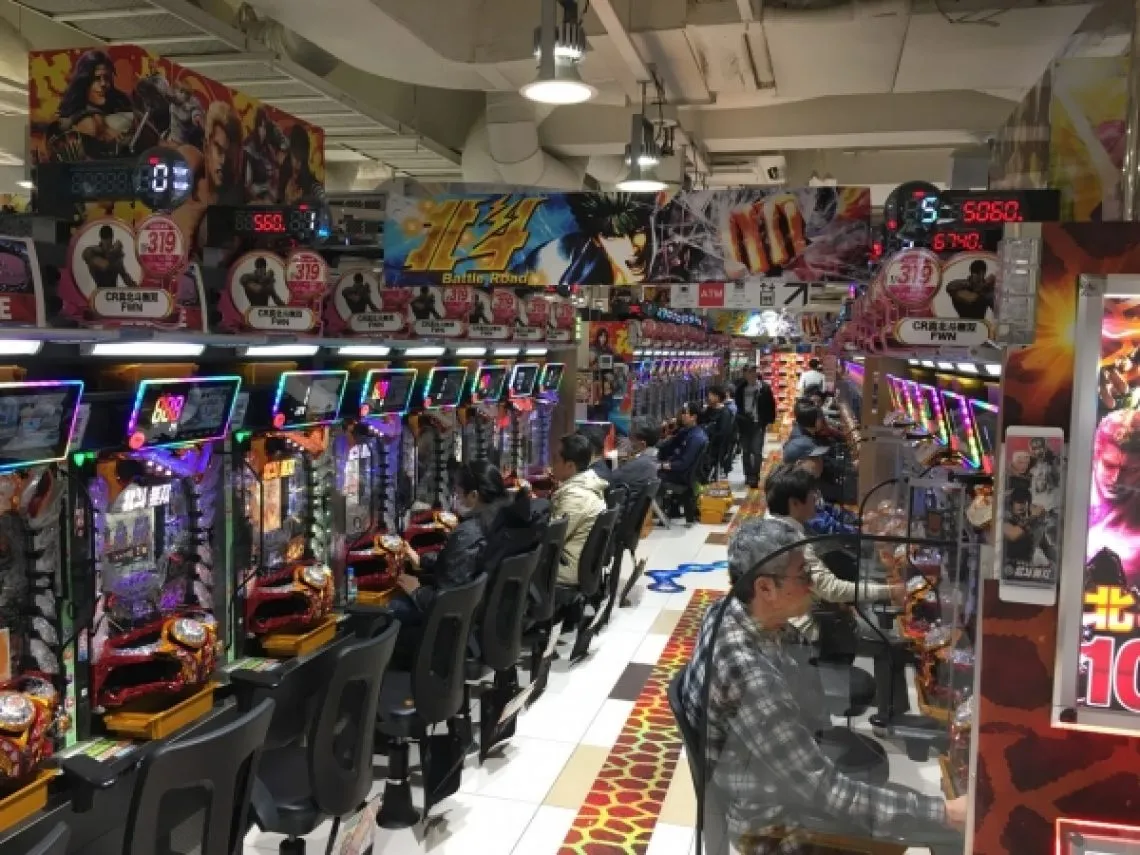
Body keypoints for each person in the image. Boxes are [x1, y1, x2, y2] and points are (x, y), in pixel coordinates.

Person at [679, 517, 965, 854]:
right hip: (772, 826)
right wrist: (944, 813)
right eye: (804, 576)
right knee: (942, 827)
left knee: (910, 804)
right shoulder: (752, 676)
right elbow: (828, 792)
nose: (813, 584)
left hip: (766, 787)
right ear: (765, 588)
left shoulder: (723, 612)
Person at [390, 461, 544, 667]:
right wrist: (423, 560)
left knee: (390, 610)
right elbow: (467, 564)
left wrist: (417, 591)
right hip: (492, 616)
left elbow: (452, 597)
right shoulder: (505, 516)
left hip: (460, 622)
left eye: (458, 492)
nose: (456, 497)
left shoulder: (471, 531)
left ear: (474, 495)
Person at [764, 465, 900, 640]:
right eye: (811, 495)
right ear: (794, 503)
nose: (816, 499)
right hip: (801, 631)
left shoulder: (771, 522)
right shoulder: (791, 542)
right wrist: (891, 591)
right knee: (890, 640)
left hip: (791, 617)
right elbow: (831, 589)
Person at [551, 434, 608, 586]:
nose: (552, 464)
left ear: (570, 466)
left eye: (555, 460)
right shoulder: (587, 483)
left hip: (567, 568)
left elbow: (552, 537)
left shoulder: (576, 496)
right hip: (579, 563)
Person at [658, 403, 709, 525]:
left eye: (685, 413)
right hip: (681, 471)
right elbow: (668, 446)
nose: (682, 416)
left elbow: (682, 464)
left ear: (693, 417)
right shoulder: (688, 432)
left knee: (651, 476)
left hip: (682, 475)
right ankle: (668, 509)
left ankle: (658, 511)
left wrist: (661, 465)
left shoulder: (696, 437)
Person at [735, 366, 777, 489]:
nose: (752, 375)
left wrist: (768, 421)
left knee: (757, 451)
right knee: (746, 451)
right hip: (744, 424)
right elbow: (738, 405)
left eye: (753, 372)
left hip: (758, 423)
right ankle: (748, 475)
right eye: (749, 373)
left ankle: (755, 476)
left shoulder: (764, 388)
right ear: (745, 375)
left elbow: (771, 405)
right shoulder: (741, 389)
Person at [610, 417, 660, 494]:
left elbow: (611, 480)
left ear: (642, 444)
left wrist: (613, 459)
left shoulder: (641, 464)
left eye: (630, 437)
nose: (627, 440)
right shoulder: (652, 457)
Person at [703, 387, 735, 480]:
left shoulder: (725, 413)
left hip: (715, 446)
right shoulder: (710, 409)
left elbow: (723, 433)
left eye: (710, 395)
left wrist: (709, 434)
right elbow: (702, 421)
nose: (708, 398)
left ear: (717, 397)